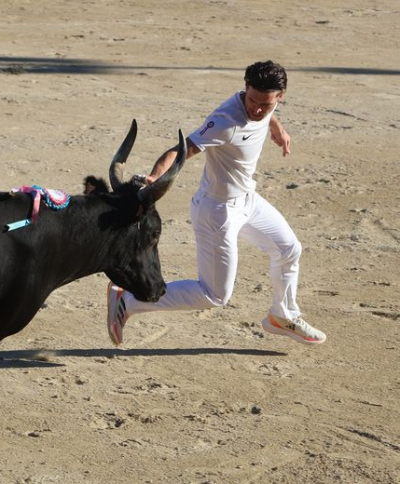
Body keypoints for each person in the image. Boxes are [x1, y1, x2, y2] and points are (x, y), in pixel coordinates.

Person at [107, 60, 326, 346]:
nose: (256, 109)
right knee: (214, 295)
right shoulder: (225, 122)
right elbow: (181, 150)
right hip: (217, 211)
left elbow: (263, 112)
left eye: (266, 104)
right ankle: (130, 299)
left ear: (280, 97)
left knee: (288, 249)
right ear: (245, 89)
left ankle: (283, 315)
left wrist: (276, 126)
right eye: (252, 101)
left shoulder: (264, 105)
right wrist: (153, 176)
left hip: (248, 200)